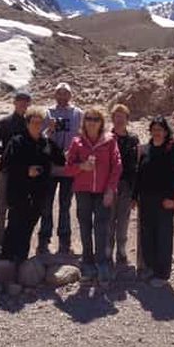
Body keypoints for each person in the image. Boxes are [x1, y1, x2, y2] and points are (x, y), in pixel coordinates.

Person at [1, 107, 66, 263]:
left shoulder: (46, 143)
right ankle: (6, 261)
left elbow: (61, 160)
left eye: (40, 123)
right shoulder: (17, 141)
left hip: (39, 193)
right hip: (19, 192)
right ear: (27, 123)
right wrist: (26, 171)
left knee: (29, 226)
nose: (37, 125)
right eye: (34, 122)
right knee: (14, 225)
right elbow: (6, 164)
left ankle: (21, 261)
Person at [64, 108, 122, 283]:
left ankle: (102, 262)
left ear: (101, 122)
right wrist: (81, 167)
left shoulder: (110, 141)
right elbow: (68, 168)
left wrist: (111, 189)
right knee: (84, 226)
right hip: (83, 190)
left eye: (96, 119)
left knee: (102, 227)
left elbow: (117, 166)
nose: (92, 122)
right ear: (84, 121)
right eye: (88, 118)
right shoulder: (77, 142)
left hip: (103, 191)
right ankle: (88, 261)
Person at [133, 116, 174, 288]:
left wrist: (171, 197)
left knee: (163, 235)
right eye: (154, 129)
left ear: (165, 131)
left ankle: (162, 273)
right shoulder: (146, 149)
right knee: (147, 234)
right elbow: (138, 174)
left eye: (160, 129)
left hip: (164, 200)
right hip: (146, 199)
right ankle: (150, 267)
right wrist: (134, 196)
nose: (157, 132)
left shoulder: (172, 148)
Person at [0, 90, 32, 262]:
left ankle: (12, 247)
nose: (22, 104)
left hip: (25, 174)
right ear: (14, 102)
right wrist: (7, 154)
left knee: (19, 211)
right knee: (0, 209)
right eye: (20, 100)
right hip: (7, 171)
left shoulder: (32, 123)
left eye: (25, 101)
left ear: (29, 103)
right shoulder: (4, 123)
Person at [38, 83, 83, 255]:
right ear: (55, 95)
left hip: (69, 167)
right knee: (46, 204)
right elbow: (40, 136)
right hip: (50, 166)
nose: (63, 97)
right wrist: (48, 131)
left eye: (66, 94)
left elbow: (83, 136)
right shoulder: (47, 113)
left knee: (65, 205)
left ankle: (65, 242)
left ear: (70, 95)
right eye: (59, 93)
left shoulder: (78, 113)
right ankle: (44, 240)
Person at [107, 104, 140, 266]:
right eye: (116, 116)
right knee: (108, 220)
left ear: (127, 119)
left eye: (122, 117)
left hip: (127, 185)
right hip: (109, 186)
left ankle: (121, 251)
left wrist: (135, 193)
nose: (119, 120)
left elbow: (136, 166)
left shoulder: (133, 139)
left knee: (123, 220)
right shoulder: (106, 138)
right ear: (112, 118)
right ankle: (107, 252)